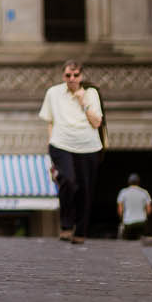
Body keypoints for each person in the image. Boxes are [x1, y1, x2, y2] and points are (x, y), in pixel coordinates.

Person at [39, 58, 103, 243]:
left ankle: (80, 231)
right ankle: (66, 225)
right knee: (67, 180)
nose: (72, 78)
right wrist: (51, 144)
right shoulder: (53, 93)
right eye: (68, 75)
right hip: (61, 144)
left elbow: (96, 122)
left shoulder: (91, 94)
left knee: (85, 189)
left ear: (81, 76)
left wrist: (83, 102)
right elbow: (50, 121)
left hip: (88, 147)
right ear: (63, 75)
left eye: (75, 75)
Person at [116, 172, 152, 241]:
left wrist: (122, 219)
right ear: (139, 182)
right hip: (141, 221)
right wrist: (145, 217)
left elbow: (120, 210)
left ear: (129, 182)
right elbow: (149, 209)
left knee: (123, 234)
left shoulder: (123, 192)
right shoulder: (144, 192)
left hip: (128, 222)